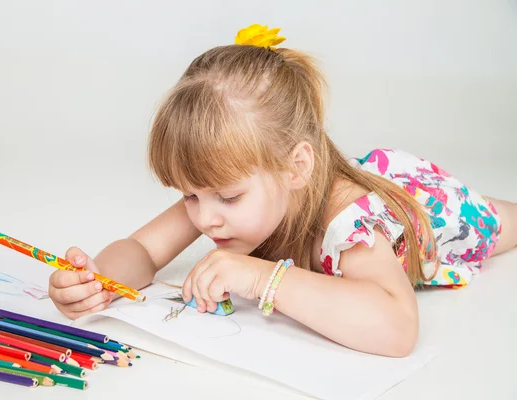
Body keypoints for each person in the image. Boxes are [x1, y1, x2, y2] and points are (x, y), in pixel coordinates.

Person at [47, 24, 517, 357]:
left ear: (296, 168)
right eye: (190, 195)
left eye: (227, 198)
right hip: (348, 174)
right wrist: (99, 280)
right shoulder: (219, 193)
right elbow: (142, 251)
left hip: (428, 208)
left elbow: (397, 328)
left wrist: (258, 277)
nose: (204, 218)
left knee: (502, 221)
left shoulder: (347, 224)